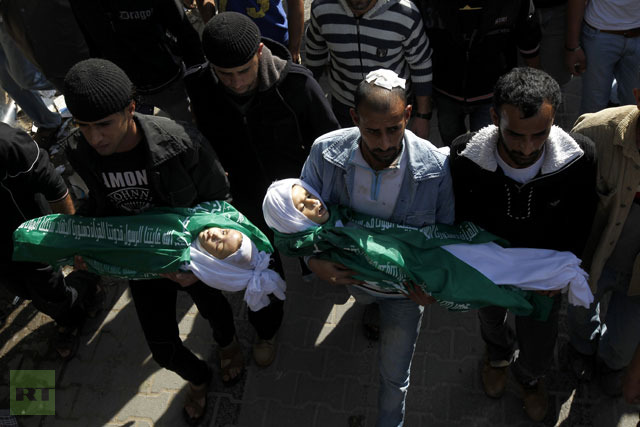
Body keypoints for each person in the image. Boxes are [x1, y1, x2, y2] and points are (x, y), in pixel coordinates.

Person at [61, 58, 237, 425]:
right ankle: (199, 377)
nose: (95, 138)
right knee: (161, 347)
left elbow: (219, 202)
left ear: (130, 108)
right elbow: (97, 201)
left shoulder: (180, 141)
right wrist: (84, 240)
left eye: (104, 124)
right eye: (83, 126)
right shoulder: (79, 150)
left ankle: (229, 345)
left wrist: (199, 260)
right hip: (141, 263)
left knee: (215, 308)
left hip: (191, 256)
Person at [299, 69, 452, 426]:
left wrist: (435, 287)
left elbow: (446, 238)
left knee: (394, 379)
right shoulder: (325, 153)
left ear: (408, 115)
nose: (384, 143)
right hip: (351, 281)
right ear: (354, 118)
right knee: (365, 302)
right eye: (372, 131)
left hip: (403, 296)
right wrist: (313, 261)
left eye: (394, 129)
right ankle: (367, 307)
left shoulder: (436, 168)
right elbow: (297, 218)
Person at [450, 67, 597, 422]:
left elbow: (583, 219)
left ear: (553, 122)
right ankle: (497, 356)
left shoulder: (581, 158)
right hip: (488, 270)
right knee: (491, 320)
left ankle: (530, 378)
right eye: (515, 135)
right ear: (494, 117)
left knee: (540, 337)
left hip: (543, 280)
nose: (527, 148)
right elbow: (458, 216)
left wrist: (564, 271)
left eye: (539, 135)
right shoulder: (464, 156)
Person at [191, 11, 339, 352]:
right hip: (244, 200)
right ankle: (267, 329)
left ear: (260, 51)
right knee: (260, 267)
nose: (237, 82)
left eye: (244, 70)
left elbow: (331, 144)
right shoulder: (199, 85)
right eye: (224, 74)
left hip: (298, 200)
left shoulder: (298, 85)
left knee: (315, 253)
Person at [262, 178, 593, 312]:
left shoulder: (337, 212)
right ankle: (557, 277)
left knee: (492, 261)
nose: (312, 203)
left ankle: (561, 272)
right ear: (291, 222)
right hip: (424, 273)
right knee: (484, 279)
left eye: (307, 194)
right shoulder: (323, 245)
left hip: (430, 248)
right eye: (301, 207)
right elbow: (375, 266)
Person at [13, 200, 287, 312]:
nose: (215, 236)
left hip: (103, 245)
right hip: (109, 222)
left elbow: (132, 267)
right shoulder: (202, 216)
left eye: (218, 246)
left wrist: (97, 263)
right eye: (224, 233)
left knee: (47, 243)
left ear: (213, 261)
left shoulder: (180, 261)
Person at [565, 76, 640, 397]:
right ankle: (582, 350)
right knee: (580, 315)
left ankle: (611, 364)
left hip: (638, 279)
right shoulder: (594, 133)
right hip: (593, 259)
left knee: (624, 342)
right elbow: (562, 200)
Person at [1, 122, 99, 361]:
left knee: (50, 294)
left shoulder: (9, 144)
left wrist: (73, 242)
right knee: (24, 290)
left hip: (32, 238)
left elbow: (56, 189)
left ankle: (85, 292)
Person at [418, 0, 542, 145]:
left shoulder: (514, 4)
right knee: (451, 146)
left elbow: (528, 39)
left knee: (485, 150)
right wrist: (422, 113)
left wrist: (536, 88)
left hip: (492, 92)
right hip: (445, 91)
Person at [305, 0, 434, 138]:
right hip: (344, 109)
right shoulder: (322, 9)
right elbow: (314, 56)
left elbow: (421, 64)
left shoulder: (406, 13)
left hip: (393, 112)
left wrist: (423, 116)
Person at [68, 0, 208, 122]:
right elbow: (91, 43)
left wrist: (200, 91)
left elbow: (186, 36)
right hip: (125, 92)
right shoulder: (82, 3)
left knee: (190, 131)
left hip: (168, 83)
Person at [565, 0, 640, 114]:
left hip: (637, 36)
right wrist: (572, 46)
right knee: (593, 110)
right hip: (598, 37)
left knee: (634, 108)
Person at [194, 0, 304, 64]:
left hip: (274, 43)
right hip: (232, 41)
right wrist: (214, 27)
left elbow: (295, 2)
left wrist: (294, 48)